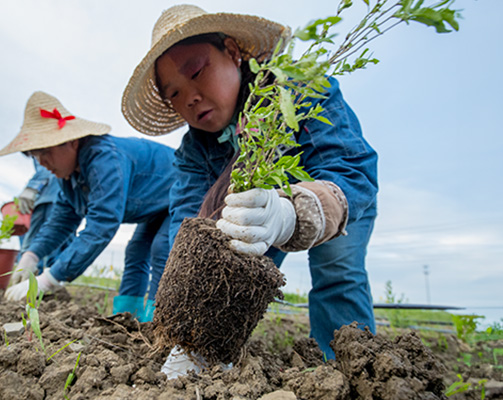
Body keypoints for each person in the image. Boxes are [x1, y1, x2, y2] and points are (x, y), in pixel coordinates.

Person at [121, 5, 378, 369]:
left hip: (340, 203)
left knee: (338, 272)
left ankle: (347, 371)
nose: (190, 98)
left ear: (232, 51)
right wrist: (187, 325)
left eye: (196, 72)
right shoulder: (194, 151)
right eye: (175, 94)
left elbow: (353, 171)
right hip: (251, 223)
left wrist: (294, 214)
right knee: (229, 274)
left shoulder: (301, 88)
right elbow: (190, 224)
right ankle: (208, 353)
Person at [0, 91, 176, 322]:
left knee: (162, 248)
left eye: (46, 152)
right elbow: (61, 221)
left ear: (71, 141)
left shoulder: (103, 160)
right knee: (136, 251)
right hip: (154, 207)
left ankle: (160, 321)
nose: (42, 163)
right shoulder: (68, 178)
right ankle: (127, 318)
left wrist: (50, 278)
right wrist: (32, 254)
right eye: (36, 156)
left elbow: (101, 226)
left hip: (179, 191)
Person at [13, 159, 70, 271]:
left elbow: (46, 169)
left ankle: (42, 275)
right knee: (58, 238)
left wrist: (32, 186)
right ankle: (36, 274)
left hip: (50, 198)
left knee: (49, 236)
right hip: (54, 196)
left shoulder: (45, 152)